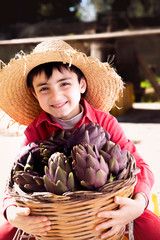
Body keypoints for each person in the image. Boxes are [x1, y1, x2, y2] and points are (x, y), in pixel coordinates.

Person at [0, 39, 159, 240]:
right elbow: (15, 178)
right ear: (34, 94)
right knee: (4, 232)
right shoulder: (35, 131)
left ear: (81, 84)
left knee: (154, 229)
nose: (56, 95)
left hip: (107, 207)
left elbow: (141, 166)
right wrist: (12, 212)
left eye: (64, 83)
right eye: (44, 88)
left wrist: (138, 204)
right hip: (55, 217)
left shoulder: (105, 122)